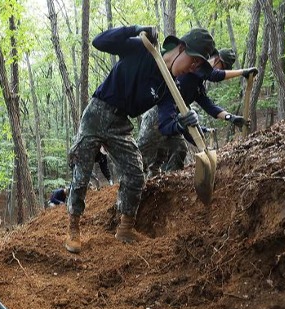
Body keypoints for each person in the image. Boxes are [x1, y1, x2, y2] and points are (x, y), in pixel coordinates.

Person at [66, 25, 215, 253]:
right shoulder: (142, 48)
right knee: (82, 171)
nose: (192, 69)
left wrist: (181, 124)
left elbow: (165, 125)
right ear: (181, 49)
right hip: (96, 113)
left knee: (136, 170)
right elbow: (99, 42)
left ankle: (125, 228)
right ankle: (73, 228)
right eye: (193, 61)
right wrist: (134, 30)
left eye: (198, 67)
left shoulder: (169, 87)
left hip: (120, 123)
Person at [138, 48, 259, 177]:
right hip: (157, 117)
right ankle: (138, 188)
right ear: (216, 59)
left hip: (176, 120)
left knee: (179, 149)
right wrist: (242, 72)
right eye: (221, 66)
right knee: (142, 159)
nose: (220, 70)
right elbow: (214, 75)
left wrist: (231, 118)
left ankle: (169, 185)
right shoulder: (195, 67)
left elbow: (210, 107)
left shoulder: (197, 86)